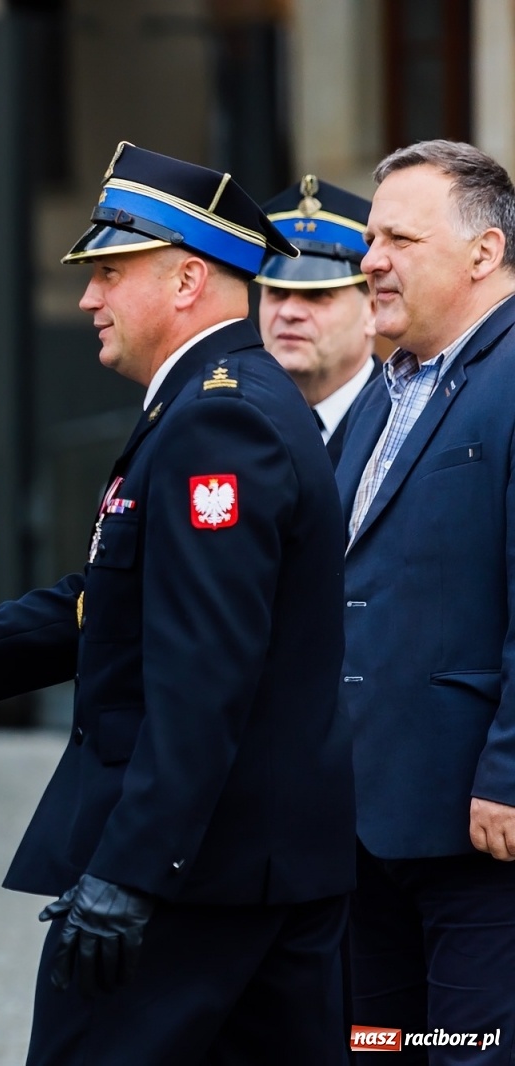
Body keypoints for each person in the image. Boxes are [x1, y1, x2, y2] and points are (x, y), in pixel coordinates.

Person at [0, 143, 355, 1064]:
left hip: (196, 880)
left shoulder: (219, 415)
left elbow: (204, 678)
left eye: (109, 272)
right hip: (243, 867)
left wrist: (132, 875)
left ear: (186, 280)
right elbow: (107, 604)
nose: (89, 298)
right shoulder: (213, 400)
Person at [337, 139, 515, 1062]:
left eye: (399, 238)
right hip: (368, 828)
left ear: (483, 253)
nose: (370, 259)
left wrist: (511, 775)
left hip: (477, 834)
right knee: (379, 1049)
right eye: (371, 238)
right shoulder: (384, 390)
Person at [256, 175, 379, 462]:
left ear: (373, 310)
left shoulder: (402, 422)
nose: (288, 312)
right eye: (276, 292)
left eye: (318, 295)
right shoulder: (232, 421)